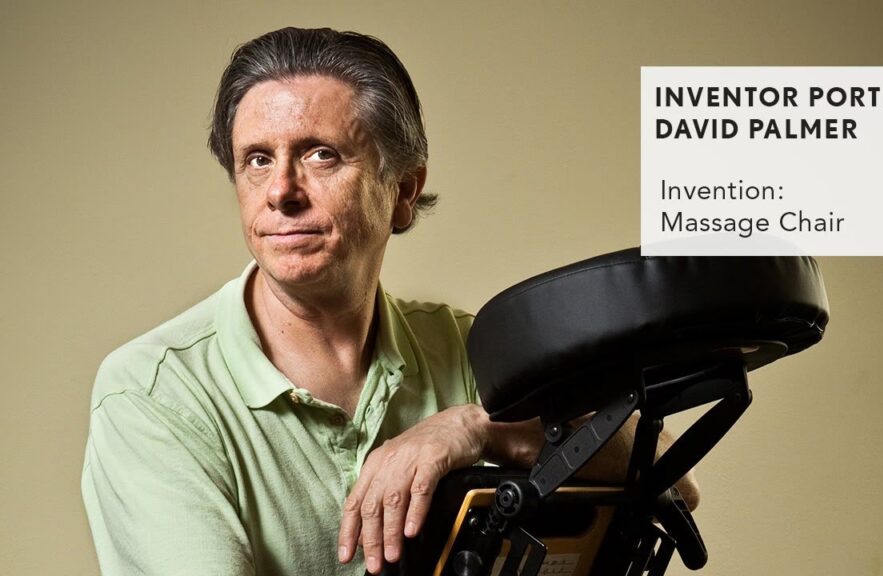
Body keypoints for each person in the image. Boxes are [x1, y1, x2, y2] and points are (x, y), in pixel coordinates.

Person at [82, 27, 698, 576]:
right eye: (258, 160)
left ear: (403, 190)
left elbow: (676, 480)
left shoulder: (467, 348)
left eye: (320, 154)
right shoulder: (153, 394)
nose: (281, 191)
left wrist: (479, 427)